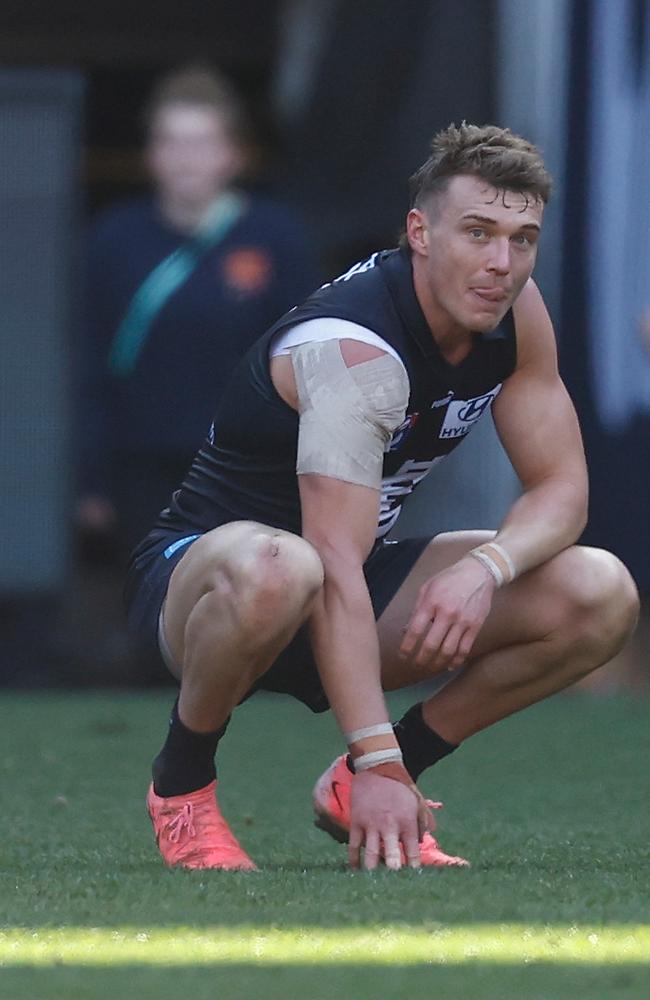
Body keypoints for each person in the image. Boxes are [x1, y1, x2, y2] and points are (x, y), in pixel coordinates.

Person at [126, 123, 639, 872]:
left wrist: (485, 568)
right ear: (419, 233)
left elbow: (562, 492)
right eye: (478, 232)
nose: (502, 262)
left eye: (522, 238)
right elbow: (329, 559)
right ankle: (181, 786)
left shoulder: (515, 312)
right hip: (214, 585)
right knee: (283, 565)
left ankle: (362, 783)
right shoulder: (354, 351)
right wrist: (379, 757)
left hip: (346, 578)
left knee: (600, 590)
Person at [78, 64, 320, 553]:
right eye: (171, 142)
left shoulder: (275, 237)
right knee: (155, 611)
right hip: (140, 464)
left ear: (232, 153)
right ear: (151, 152)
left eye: (201, 143)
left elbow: (309, 357)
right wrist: (89, 480)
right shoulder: (112, 238)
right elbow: (85, 359)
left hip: (246, 466)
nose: (185, 159)